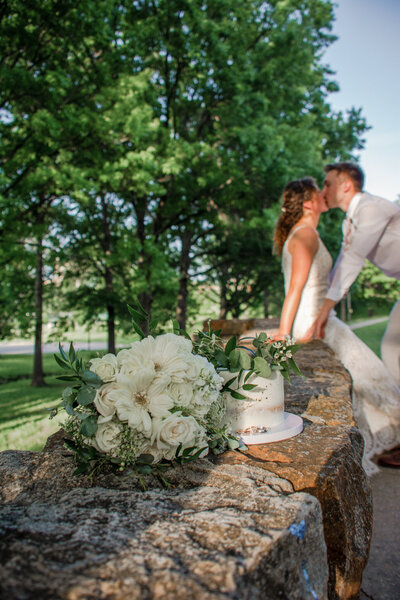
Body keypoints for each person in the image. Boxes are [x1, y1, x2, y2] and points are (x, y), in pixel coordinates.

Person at [273, 176, 400, 475]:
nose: (324, 194)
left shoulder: (305, 233)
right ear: (308, 202)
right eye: (319, 191)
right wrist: (284, 331)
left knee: (369, 380)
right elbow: (295, 290)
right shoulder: (305, 234)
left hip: (323, 318)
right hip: (315, 323)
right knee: (373, 378)